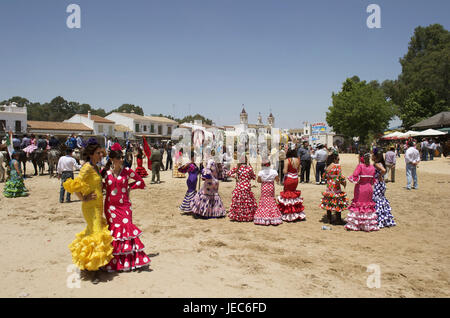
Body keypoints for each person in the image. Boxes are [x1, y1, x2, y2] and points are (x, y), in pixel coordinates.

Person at [63, 140, 113, 283]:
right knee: (96, 233)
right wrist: (83, 198)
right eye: (98, 153)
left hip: (98, 206)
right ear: (91, 154)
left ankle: (90, 263)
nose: (101, 154)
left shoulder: (95, 167)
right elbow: (74, 184)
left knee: (92, 232)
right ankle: (93, 270)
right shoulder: (86, 168)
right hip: (90, 207)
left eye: (101, 152)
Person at [101, 149, 150, 272]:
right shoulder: (105, 172)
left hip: (124, 206)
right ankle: (115, 261)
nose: (122, 160)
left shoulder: (127, 171)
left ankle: (130, 260)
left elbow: (141, 181)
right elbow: (98, 185)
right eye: (119, 158)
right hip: (110, 206)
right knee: (114, 231)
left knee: (127, 227)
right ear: (112, 159)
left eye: (122, 157)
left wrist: (129, 187)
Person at [345, 152, 378, 232]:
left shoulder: (360, 166)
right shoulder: (372, 167)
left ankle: (357, 224)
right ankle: (367, 225)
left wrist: (357, 179)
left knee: (358, 204)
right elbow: (373, 179)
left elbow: (354, 175)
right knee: (367, 206)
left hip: (360, 188)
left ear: (361, 158)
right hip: (369, 188)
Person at [190, 153, 226, 218]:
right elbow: (221, 172)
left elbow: (207, 172)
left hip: (210, 181)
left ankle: (203, 212)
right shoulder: (218, 161)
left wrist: (202, 171)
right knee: (214, 195)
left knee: (205, 195)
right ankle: (215, 212)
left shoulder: (210, 161)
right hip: (215, 181)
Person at [320, 151, 348, 225]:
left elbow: (323, 176)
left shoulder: (328, 166)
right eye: (338, 158)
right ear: (335, 159)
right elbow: (340, 177)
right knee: (338, 201)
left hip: (329, 186)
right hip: (336, 185)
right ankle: (338, 219)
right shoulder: (337, 166)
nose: (339, 159)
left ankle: (329, 218)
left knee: (329, 201)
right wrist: (344, 183)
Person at [277, 148, 305, 222]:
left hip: (289, 178)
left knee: (287, 194)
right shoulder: (298, 160)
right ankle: (295, 212)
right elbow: (298, 170)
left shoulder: (287, 160)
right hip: (295, 178)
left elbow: (285, 171)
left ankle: (288, 213)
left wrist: (283, 170)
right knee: (293, 193)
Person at [227, 155, 258, 222]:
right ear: (246, 160)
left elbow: (228, 173)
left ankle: (238, 216)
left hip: (239, 187)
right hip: (246, 187)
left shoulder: (237, 167)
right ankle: (247, 216)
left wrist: (235, 177)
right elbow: (254, 177)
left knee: (239, 203)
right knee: (247, 203)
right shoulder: (249, 168)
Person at [372, 149, 396, 229]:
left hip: (378, 184)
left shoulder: (376, 164)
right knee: (381, 200)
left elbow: (384, 170)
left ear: (376, 156)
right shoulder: (381, 163)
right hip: (381, 184)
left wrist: (379, 176)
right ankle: (383, 218)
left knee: (376, 200)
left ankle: (378, 219)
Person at [254, 160, 282, 226]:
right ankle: (272, 215)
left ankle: (263, 216)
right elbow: (277, 180)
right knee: (271, 200)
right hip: (271, 186)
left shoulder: (261, 172)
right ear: (269, 164)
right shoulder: (274, 171)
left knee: (264, 200)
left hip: (264, 186)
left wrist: (264, 180)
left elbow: (258, 180)